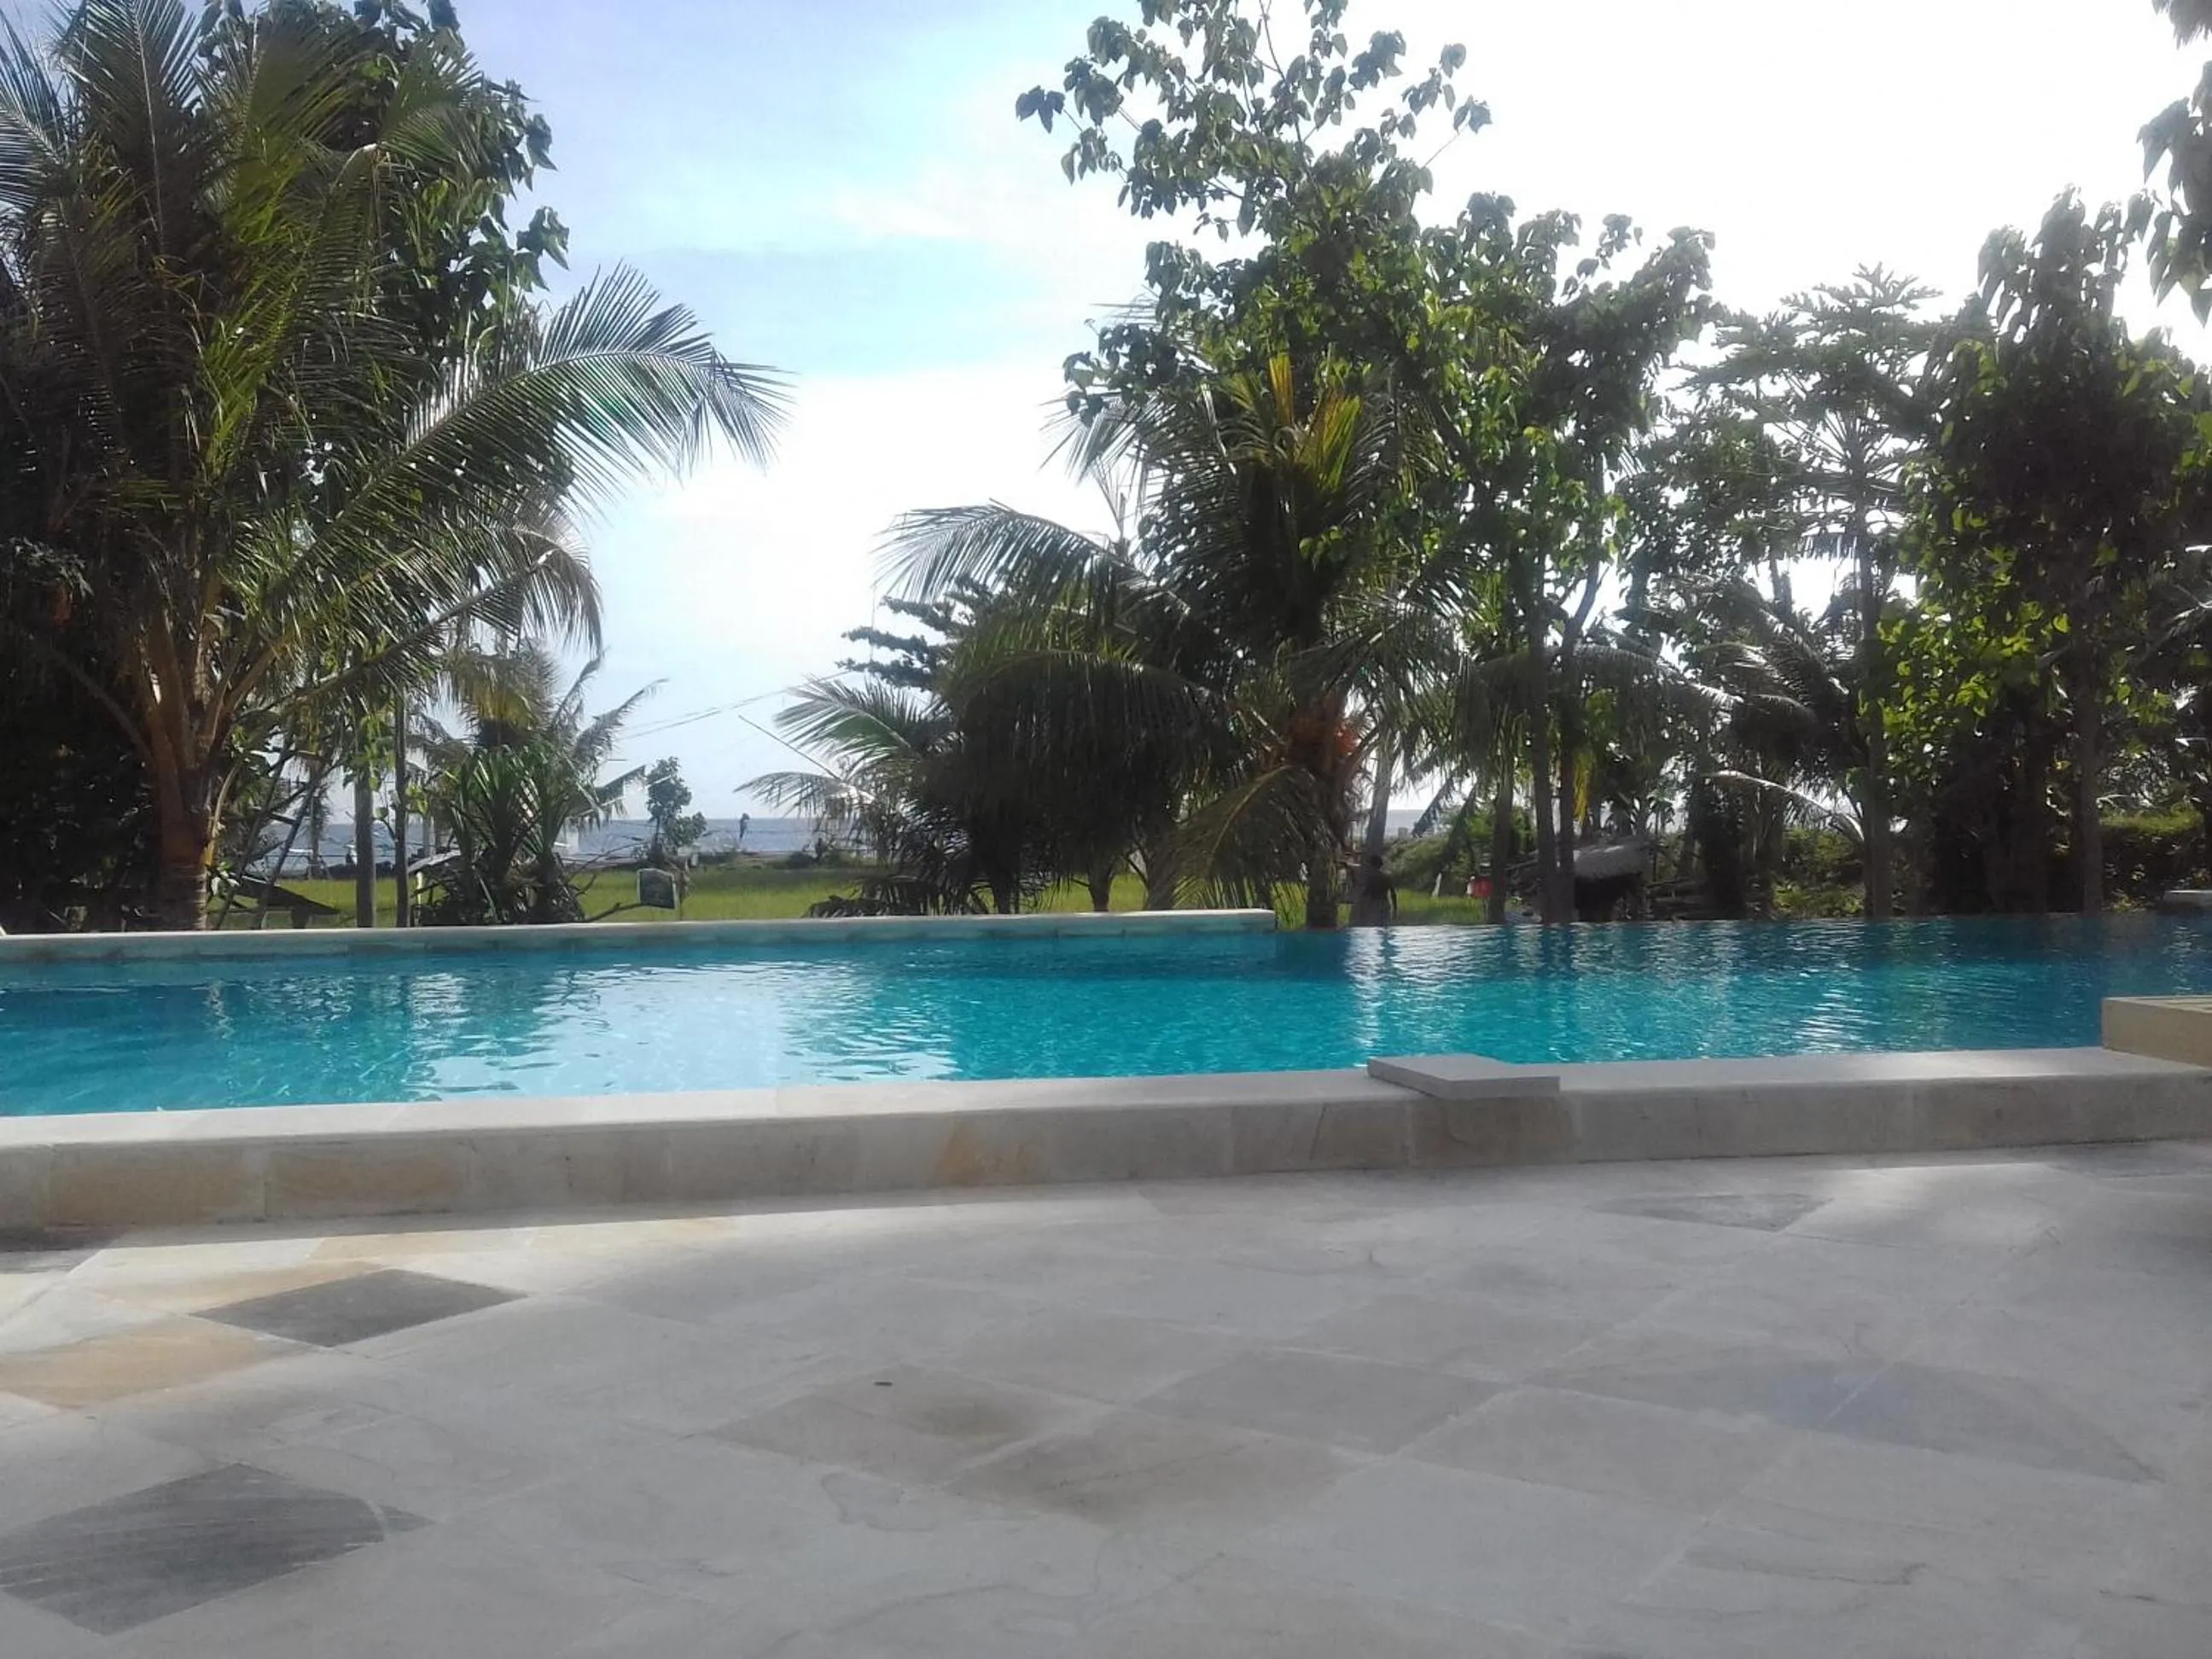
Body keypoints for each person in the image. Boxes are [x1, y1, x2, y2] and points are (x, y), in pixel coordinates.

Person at [1349, 852, 1398, 928]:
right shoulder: (1387, 877)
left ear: (1372, 865)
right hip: (1385, 904)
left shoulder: (1371, 878)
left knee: (1375, 927)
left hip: (1375, 905)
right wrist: (1395, 909)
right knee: (1385, 927)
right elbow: (1393, 894)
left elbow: (1366, 894)